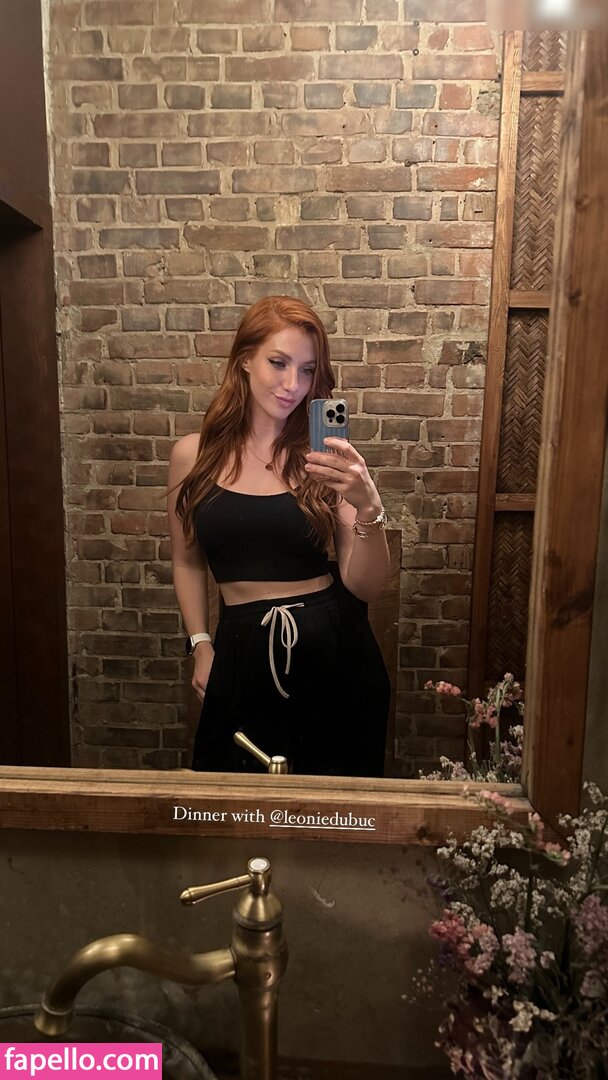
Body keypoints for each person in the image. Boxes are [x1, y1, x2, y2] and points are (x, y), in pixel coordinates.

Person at [167, 295, 390, 777]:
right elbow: (186, 560)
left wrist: (369, 507)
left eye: (307, 370)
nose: (293, 385)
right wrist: (200, 643)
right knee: (234, 797)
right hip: (240, 648)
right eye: (278, 363)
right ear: (244, 359)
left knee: (334, 806)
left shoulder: (324, 459)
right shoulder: (192, 456)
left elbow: (365, 586)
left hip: (333, 651)